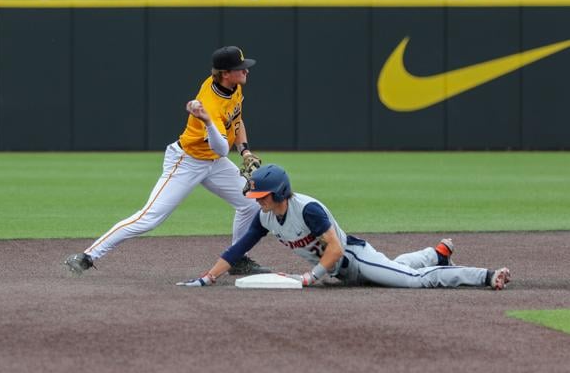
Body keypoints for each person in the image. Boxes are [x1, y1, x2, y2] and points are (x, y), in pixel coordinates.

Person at [65, 46, 269, 276]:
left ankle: (236, 258)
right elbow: (221, 149)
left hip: (213, 162)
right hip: (187, 161)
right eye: (240, 68)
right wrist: (208, 122)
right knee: (149, 218)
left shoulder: (233, 88)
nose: (246, 71)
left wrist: (245, 152)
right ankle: (88, 255)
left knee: (250, 203)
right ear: (225, 73)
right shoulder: (209, 103)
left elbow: (237, 120)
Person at [176, 164, 511, 290]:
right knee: (391, 270)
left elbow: (335, 248)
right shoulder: (264, 216)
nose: (257, 200)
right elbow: (238, 250)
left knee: (412, 282)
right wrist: (209, 277)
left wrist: (311, 278)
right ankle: (435, 254)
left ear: (278, 193)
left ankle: (483, 274)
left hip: (353, 257)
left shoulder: (308, 209)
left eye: (262, 195)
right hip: (341, 272)